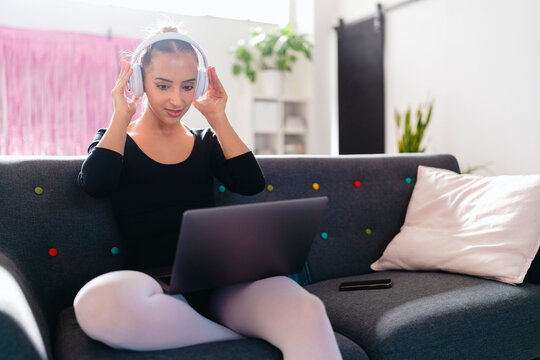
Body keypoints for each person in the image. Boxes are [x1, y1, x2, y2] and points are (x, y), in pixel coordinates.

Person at [74, 25, 342, 360]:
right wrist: (120, 116)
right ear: (139, 83)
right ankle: (228, 337)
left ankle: (212, 329)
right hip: (154, 288)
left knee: (307, 310)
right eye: (162, 85)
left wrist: (218, 118)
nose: (178, 99)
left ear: (199, 84)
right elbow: (95, 184)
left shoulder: (205, 141)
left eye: (188, 86)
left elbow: (250, 183)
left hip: (224, 285)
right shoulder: (115, 140)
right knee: (96, 303)